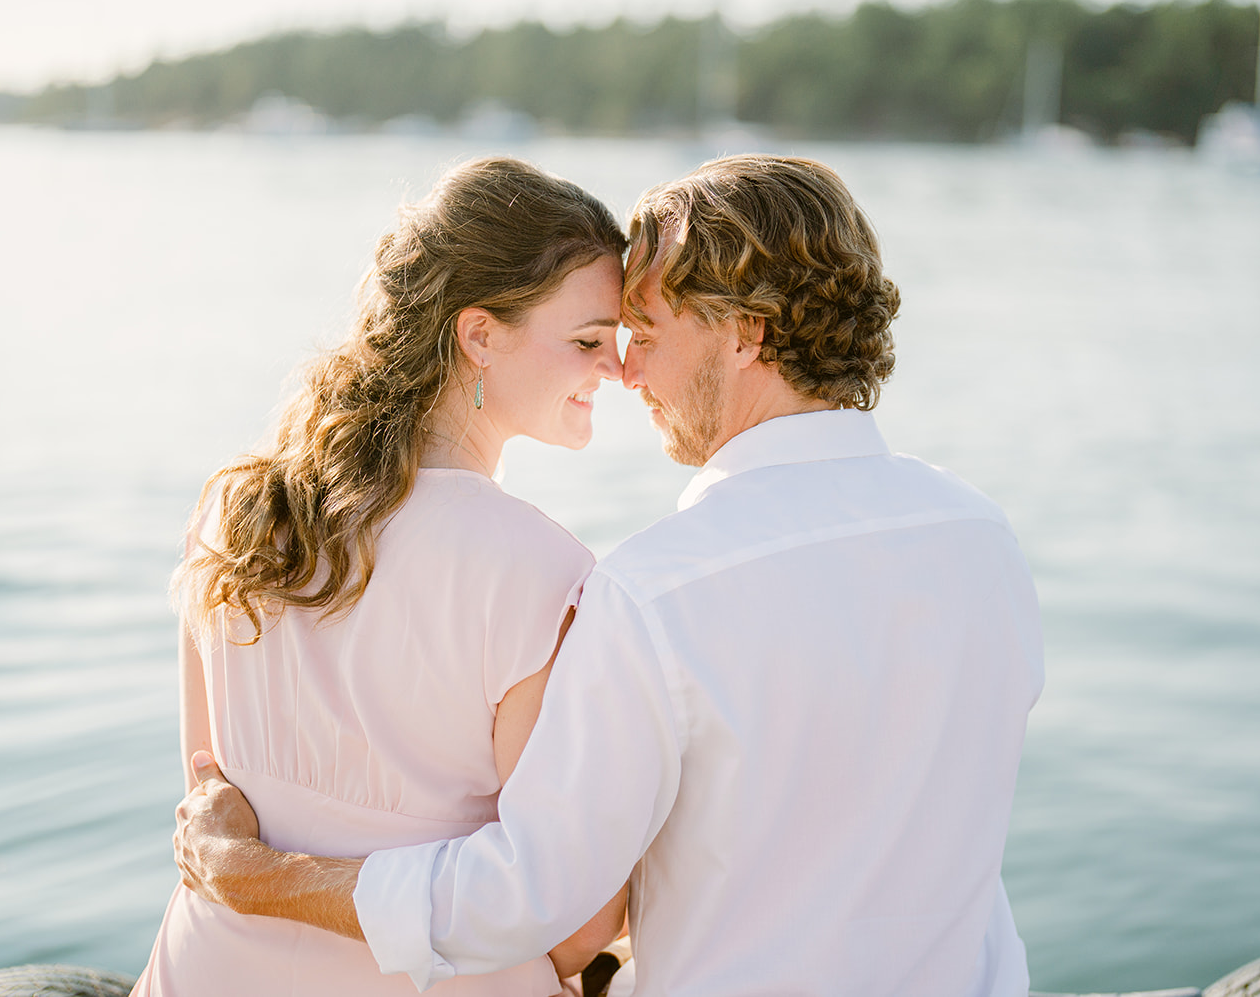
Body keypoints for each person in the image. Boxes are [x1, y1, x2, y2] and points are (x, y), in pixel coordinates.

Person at [176, 154, 1046, 997]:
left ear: (746, 333)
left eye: (646, 334)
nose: (627, 372)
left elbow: (536, 896)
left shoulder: (658, 592)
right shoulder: (984, 535)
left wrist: (254, 874)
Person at [133, 157, 632, 996]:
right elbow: (576, 918)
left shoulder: (235, 511)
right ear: (480, 334)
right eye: (587, 340)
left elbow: (207, 794)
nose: (615, 369)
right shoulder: (546, 573)